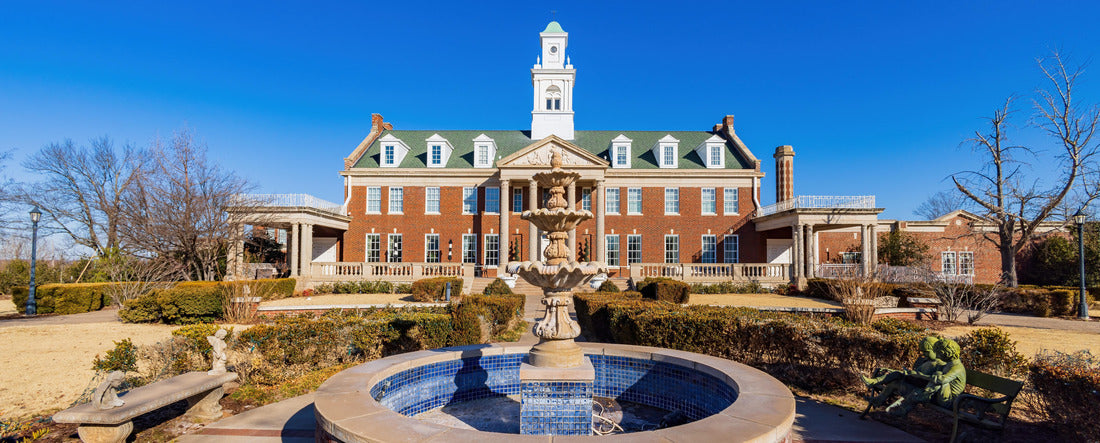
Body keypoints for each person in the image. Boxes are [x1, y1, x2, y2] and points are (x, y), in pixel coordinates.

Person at [885, 338, 966, 416]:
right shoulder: (949, 364)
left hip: (950, 401)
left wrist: (920, 376)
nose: (937, 355)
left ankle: (921, 396)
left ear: (946, 353)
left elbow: (941, 380)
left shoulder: (957, 367)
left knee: (939, 378)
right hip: (939, 395)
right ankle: (909, 405)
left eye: (939, 353)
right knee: (935, 378)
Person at [861, 336, 944, 407]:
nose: (924, 354)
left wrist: (914, 375)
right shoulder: (927, 361)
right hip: (914, 381)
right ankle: (876, 391)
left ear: (935, 350)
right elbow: (917, 372)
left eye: (926, 352)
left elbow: (930, 380)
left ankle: (875, 387)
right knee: (896, 377)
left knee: (896, 378)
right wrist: (911, 373)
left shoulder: (939, 364)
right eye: (923, 352)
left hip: (919, 389)